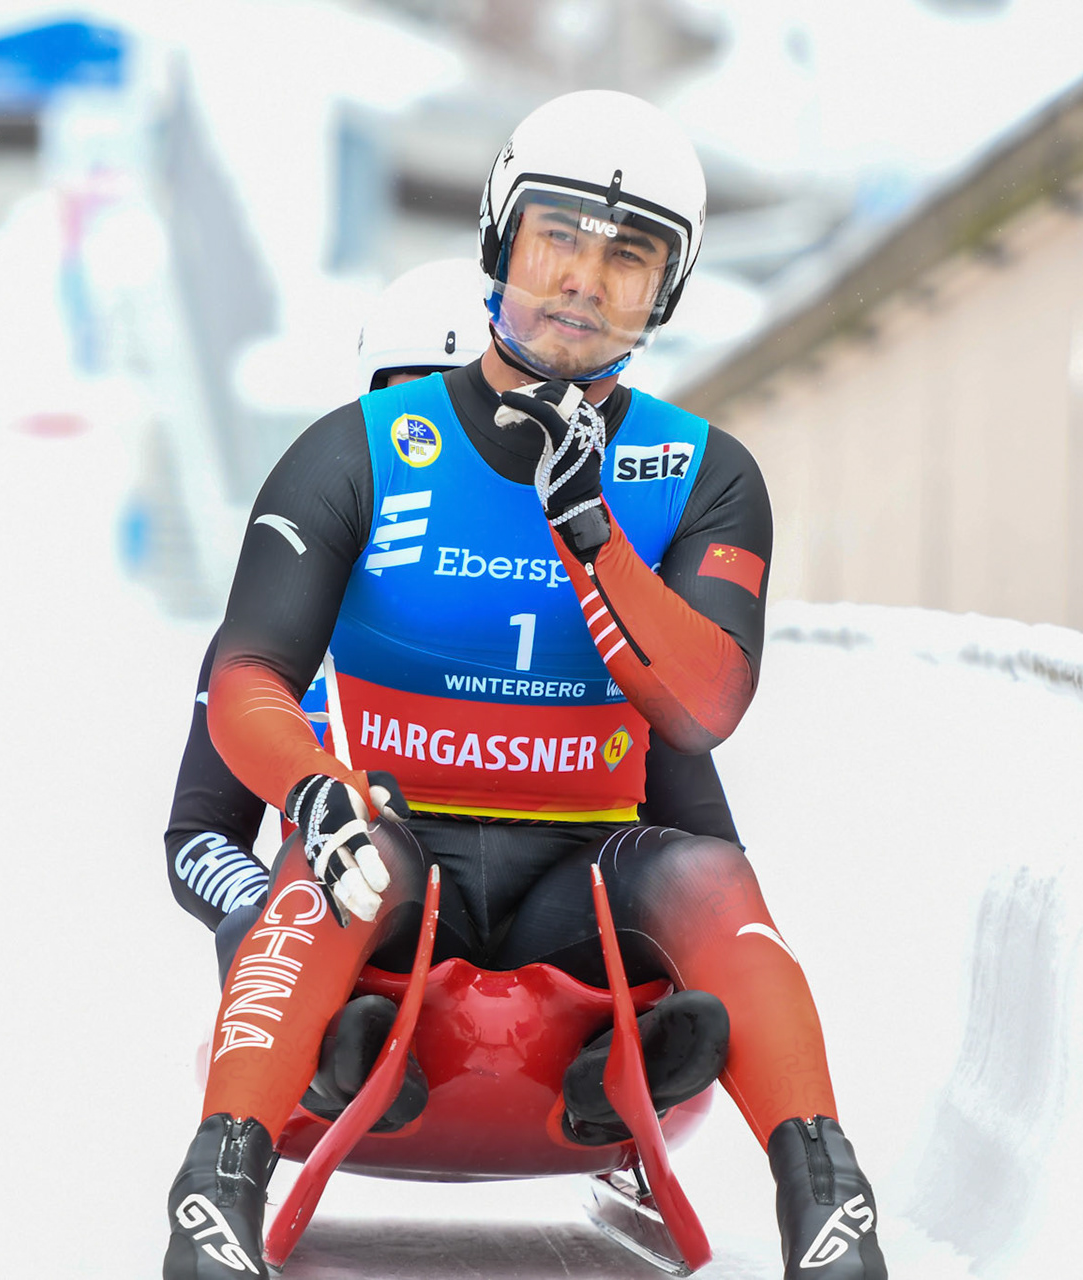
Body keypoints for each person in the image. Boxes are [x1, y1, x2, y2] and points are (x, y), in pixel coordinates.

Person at [163, 91, 887, 1280]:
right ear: (499, 241)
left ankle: (829, 1199)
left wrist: (590, 525)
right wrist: (316, 793)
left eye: (629, 259)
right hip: (396, 864)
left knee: (704, 869)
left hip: (581, 878)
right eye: (558, 238)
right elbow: (248, 676)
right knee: (338, 862)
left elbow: (703, 706)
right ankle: (214, 1187)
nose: (584, 282)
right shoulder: (353, 452)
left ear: (666, 294)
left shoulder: (702, 473)